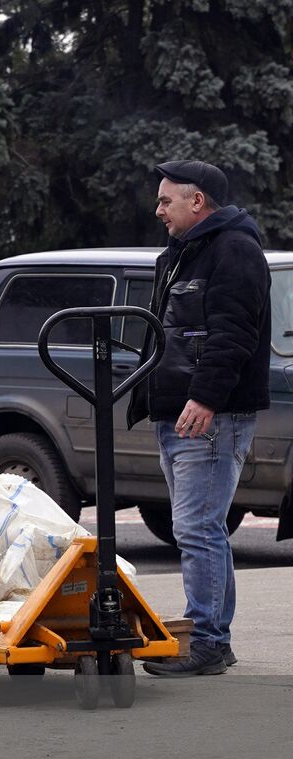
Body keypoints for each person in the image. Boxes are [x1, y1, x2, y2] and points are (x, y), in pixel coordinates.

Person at [130, 159, 271, 677]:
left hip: (211, 415)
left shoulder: (235, 250)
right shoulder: (183, 252)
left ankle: (207, 640)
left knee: (197, 529)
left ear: (199, 201)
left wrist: (206, 398)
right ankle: (213, 637)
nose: (158, 209)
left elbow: (234, 335)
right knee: (200, 528)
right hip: (179, 410)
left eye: (167, 200)